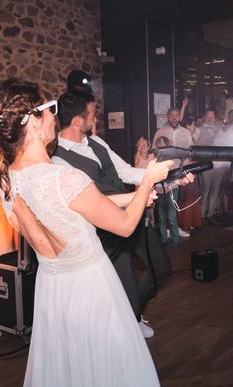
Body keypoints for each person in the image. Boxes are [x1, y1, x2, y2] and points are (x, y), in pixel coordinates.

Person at [0, 78, 181, 387]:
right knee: (111, 382)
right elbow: (125, 227)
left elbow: (86, 208)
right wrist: (146, 179)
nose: (54, 116)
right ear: (34, 122)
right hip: (91, 289)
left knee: (67, 385)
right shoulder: (62, 177)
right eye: (49, 109)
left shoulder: (10, 180)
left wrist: (145, 193)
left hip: (56, 290)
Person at [52, 91, 192, 338]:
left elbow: (127, 172)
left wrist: (169, 177)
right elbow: (89, 204)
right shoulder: (59, 163)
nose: (95, 120)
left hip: (133, 216)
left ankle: (129, 314)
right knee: (125, 285)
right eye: (92, 115)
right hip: (106, 232)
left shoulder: (98, 143)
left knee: (161, 268)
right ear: (77, 121)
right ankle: (130, 320)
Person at [153, 105, 194, 243]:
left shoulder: (186, 133)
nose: (174, 118)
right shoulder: (160, 131)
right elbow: (153, 151)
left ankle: (175, 237)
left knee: (172, 211)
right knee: (161, 213)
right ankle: (164, 237)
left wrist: (185, 172)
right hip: (161, 176)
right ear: (168, 116)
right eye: (171, 115)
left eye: (176, 115)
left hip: (177, 176)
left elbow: (190, 153)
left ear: (179, 117)